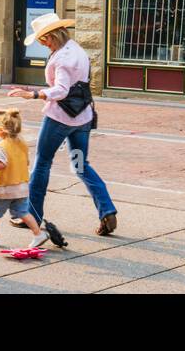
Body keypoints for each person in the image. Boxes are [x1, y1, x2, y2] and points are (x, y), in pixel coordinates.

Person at [8, 13, 117, 246]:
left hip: (59, 118)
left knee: (42, 163)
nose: (42, 44)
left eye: (43, 40)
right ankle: (106, 209)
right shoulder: (76, 49)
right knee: (80, 165)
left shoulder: (62, 59)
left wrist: (34, 94)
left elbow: (61, 89)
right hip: (83, 117)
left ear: (52, 35)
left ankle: (32, 216)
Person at [0, 107, 45, 249]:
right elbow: (26, 162)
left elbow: (0, 165)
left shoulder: (0, 147)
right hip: (21, 187)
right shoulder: (21, 143)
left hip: (3, 188)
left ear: (2, 130)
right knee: (23, 212)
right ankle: (38, 234)